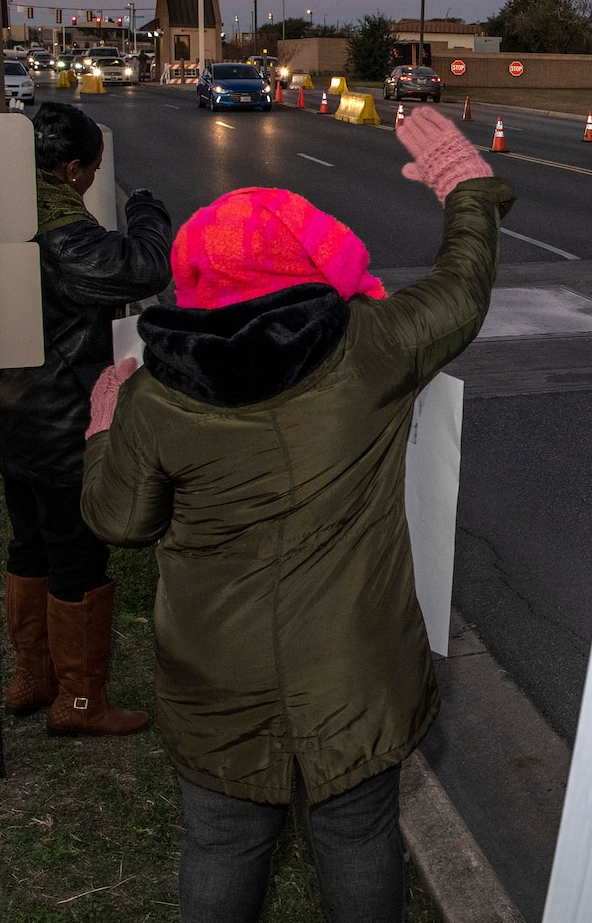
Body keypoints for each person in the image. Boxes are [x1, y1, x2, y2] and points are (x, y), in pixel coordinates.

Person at [78, 106, 513, 923]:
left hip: (214, 666)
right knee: (358, 834)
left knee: (220, 841)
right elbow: (462, 289)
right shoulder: (370, 348)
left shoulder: (153, 394)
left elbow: (119, 520)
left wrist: (104, 430)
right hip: (355, 662)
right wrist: (467, 192)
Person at [0, 100, 171, 737]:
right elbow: (141, 268)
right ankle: (80, 701)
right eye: (89, 170)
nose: (91, 180)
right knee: (77, 555)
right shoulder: (62, 234)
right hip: (60, 419)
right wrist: (146, 211)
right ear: (69, 171)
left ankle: (31, 677)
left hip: (6, 411)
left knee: (27, 542)